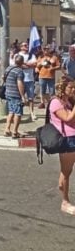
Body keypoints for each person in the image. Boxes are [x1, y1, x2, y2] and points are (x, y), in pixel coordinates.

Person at [49, 80, 75, 216]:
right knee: (66, 172)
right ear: (63, 87)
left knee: (68, 171)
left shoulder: (68, 101)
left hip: (73, 137)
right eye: (71, 87)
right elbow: (68, 118)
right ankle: (65, 202)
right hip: (67, 140)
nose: (73, 90)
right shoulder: (56, 102)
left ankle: (63, 192)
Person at [3, 55, 27, 139]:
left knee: (11, 112)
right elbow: (19, 83)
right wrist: (23, 96)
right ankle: (15, 132)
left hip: (8, 93)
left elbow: (3, 77)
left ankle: (7, 129)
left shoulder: (8, 68)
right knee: (18, 113)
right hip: (16, 94)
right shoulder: (19, 71)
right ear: (22, 62)